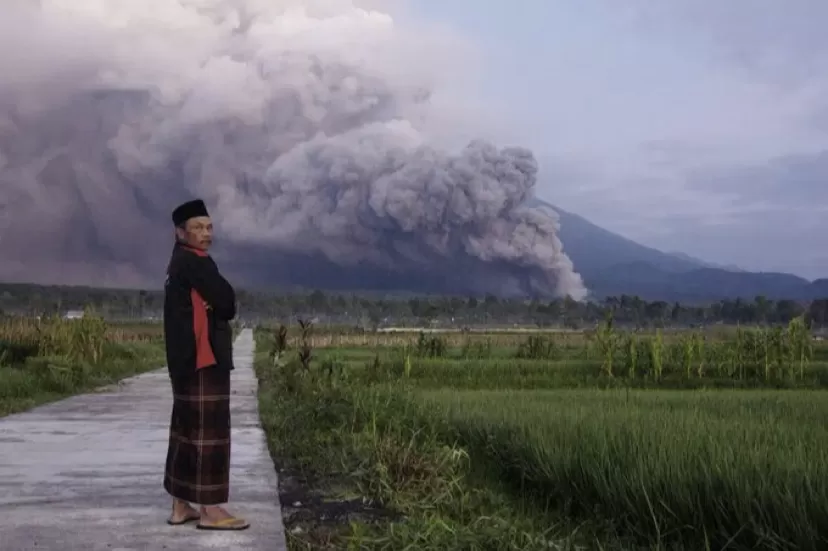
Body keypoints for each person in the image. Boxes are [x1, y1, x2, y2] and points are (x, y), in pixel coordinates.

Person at [162, 198, 249, 530]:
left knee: (186, 431)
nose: (206, 233)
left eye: (209, 227)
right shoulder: (196, 262)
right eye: (197, 227)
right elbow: (226, 302)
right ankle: (211, 511)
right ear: (180, 232)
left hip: (184, 362)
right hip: (204, 360)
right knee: (209, 435)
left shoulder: (176, 263)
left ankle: (180, 506)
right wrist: (217, 302)